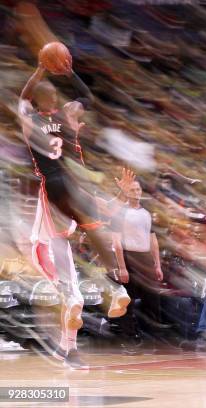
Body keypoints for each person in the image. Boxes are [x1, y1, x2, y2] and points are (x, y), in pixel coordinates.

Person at [19, 63, 131, 369]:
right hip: (78, 186)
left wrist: (41, 68)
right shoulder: (67, 114)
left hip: (53, 188)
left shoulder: (31, 120)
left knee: (44, 251)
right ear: (55, 100)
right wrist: (69, 72)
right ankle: (71, 344)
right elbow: (86, 96)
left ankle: (70, 295)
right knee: (82, 244)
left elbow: (23, 100)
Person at [111, 180, 163, 348]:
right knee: (128, 300)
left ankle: (154, 338)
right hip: (129, 257)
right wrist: (122, 267)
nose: (136, 192)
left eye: (138, 189)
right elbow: (117, 243)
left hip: (145, 258)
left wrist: (157, 264)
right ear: (127, 192)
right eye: (132, 189)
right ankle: (130, 337)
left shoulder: (147, 213)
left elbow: (153, 240)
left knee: (153, 299)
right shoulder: (120, 213)